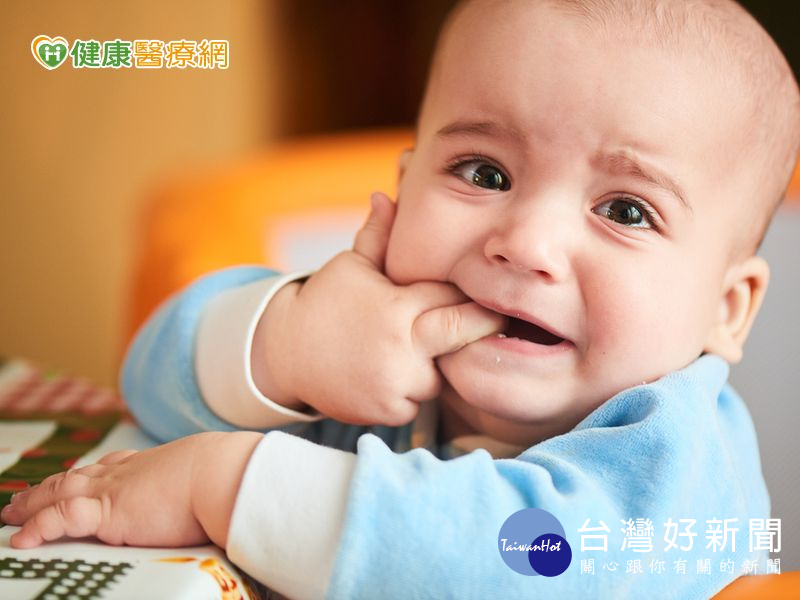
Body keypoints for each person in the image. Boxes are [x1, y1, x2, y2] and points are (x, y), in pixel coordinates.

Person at [3, 0, 799, 597]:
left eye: (625, 211)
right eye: (484, 172)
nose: (526, 243)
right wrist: (287, 344)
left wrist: (222, 484)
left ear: (727, 309)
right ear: (404, 187)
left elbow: (525, 563)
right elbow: (151, 384)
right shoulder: (377, 345)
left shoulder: (677, 459)